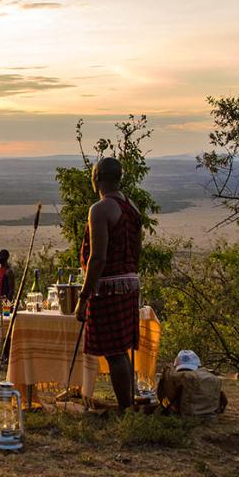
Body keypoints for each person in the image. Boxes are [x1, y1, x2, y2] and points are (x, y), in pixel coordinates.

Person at [75, 157, 143, 411]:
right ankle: (127, 406)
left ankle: (125, 409)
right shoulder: (131, 206)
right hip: (130, 285)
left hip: (109, 287)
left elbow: (98, 257)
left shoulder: (100, 209)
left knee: (114, 352)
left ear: (99, 176)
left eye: (93, 174)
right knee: (120, 350)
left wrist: (83, 298)